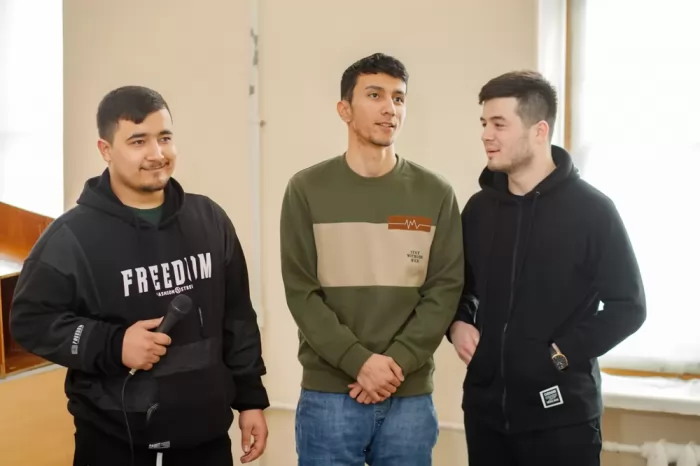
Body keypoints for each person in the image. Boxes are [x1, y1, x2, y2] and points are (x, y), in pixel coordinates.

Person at [10, 85, 269, 466]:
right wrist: (114, 344)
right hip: (117, 445)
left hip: (207, 441)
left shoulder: (209, 220)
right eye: (138, 141)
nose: (157, 153)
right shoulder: (72, 236)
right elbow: (30, 321)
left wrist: (250, 400)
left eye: (164, 137)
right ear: (105, 150)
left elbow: (237, 318)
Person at [448, 70, 646, 466]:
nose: (486, 135)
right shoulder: (479, 210)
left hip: (562, 421)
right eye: (484, 123)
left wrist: (560, 354)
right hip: (485, 417)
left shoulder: (593, 211)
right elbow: (458, 287)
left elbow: (629, 307)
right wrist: (457, 323)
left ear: (539, 131)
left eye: (499, 124)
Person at [280, 52, 464, 466]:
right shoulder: (306, 189)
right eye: (375, 95)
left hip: (409, 397)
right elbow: (301, 293)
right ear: (344, 109)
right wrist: (359, 362)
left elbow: (444, 291)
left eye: (398, 98)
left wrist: (393, 364)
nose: (390, 108)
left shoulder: (436, 193)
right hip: (330, 395)